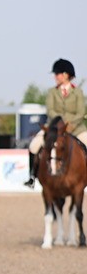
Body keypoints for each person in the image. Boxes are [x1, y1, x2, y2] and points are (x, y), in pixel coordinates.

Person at [25, 58, 87, 186]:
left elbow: (81, 112)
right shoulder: (52, 92)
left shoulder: (78, 92)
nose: (55, 77)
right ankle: (31, 176)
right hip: (53, 127)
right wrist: (60, 124)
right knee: (34, 145)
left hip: (76, 127)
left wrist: (70, 125)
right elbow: (51, 111)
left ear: (65, 74)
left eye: (57, 74)